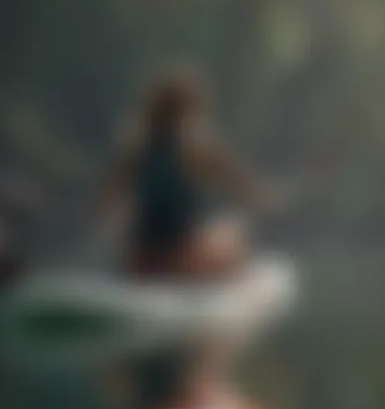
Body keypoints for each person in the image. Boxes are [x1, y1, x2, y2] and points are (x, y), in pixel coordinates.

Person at [103, 64, 279, 280]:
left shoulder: (133, 146)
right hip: (183, 259)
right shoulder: (195, 148)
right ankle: (228, 280)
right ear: (189, 108)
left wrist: (119, 235)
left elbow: (108, 203)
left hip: (139, 259)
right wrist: (266, 201)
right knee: (236, 229)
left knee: (205, 231)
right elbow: (242, 185)